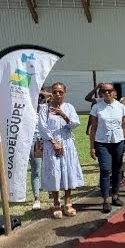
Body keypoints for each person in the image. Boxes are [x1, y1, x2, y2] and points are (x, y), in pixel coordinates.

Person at [38, 83, 84, 218]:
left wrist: (63, 115)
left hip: (67, 144)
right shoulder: (45, 109)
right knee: (55, 173)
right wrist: (53, 142)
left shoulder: (69, 107)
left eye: (60, 92)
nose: (58, 94)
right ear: (51, 93)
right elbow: (42, 127)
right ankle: (56, 202)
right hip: (52, 145)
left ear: (65, 92)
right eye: (55, 92)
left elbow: (75, 124)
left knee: (67, 171)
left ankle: (68, 201)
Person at [89, 83, 125, 213]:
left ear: (114, 92)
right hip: (102, 142)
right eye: (104, 91)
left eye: (109, 91)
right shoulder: (97, 107)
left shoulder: (121, 107)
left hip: (118, 141)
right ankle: (106, 199)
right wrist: (92, 146)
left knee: (117, 169)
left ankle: (115, 196)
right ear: (101, 93)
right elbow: (93, 128)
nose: (107, 93)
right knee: (106, 170)